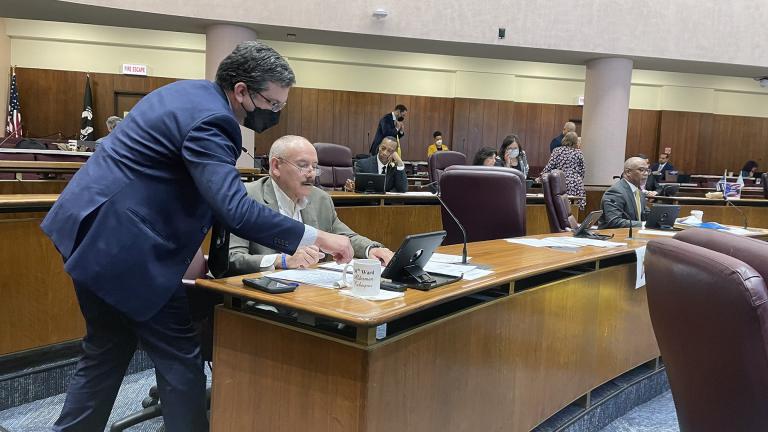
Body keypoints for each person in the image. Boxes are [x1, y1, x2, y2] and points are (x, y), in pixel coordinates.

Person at [40, 41, 353, 432]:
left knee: (106, 350)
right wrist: (320, 238)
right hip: (127, 249)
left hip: (90, 231)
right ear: (241, 91)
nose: (276, 113)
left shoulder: (186, 93)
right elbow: (233, 209)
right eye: (273, 105)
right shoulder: (212, 121)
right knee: (180, 361)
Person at [229, 135, 394, 274]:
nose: (311, 174)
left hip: (311, 293)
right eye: (303, 166)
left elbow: (345, 237)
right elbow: (231, 259)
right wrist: (282, 261)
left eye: (315, 167)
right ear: (275, 166)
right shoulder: (246, 196)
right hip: (262, 298)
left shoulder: (320, 198)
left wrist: (371, 250)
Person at [598, 156, 651, 229]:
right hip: (613, 236)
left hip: (634, 234)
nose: (646, 174)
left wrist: (661, 219)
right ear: (628, 172)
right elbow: (614, 221)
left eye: (647, 170)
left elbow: (646, 214)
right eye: (641, 170)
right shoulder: (615, 192)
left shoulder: (639, 192)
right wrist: (642, 225)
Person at [540, 131, 586, 210]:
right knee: (575, 209)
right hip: (576, 183)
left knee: (562, 208)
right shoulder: (579, 153)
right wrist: (577, 178)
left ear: (564, 139)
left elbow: (550, 166)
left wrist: (541, 176)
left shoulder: (557, 151)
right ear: (575, 141)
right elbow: (582, 170)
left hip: (561, 181)